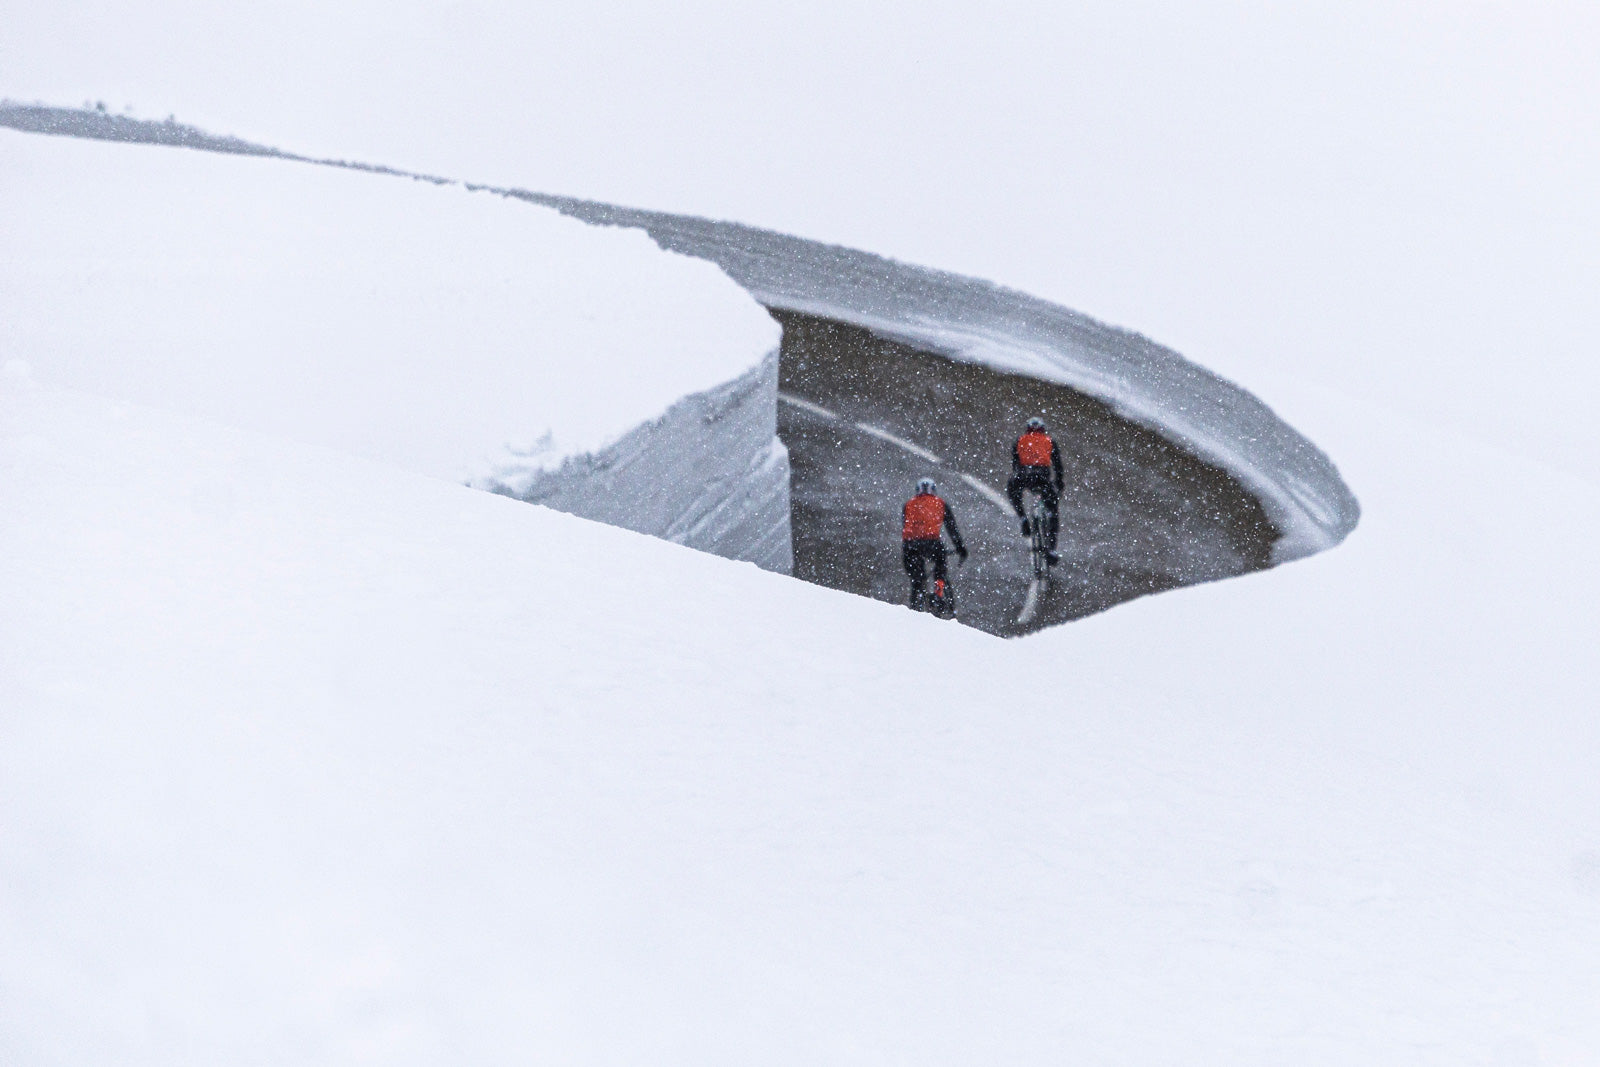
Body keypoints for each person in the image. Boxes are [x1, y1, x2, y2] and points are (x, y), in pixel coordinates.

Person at [901, 477, 967, 610]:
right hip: (932, 544)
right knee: (940, 565)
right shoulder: (941, 504)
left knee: (916, 578)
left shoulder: (908, 504)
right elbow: (951, 529)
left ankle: (916, 599)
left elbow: (906, 526)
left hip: (910, 545)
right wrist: (960, 548)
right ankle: (938, 592)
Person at [1006, 415, 1063, 563]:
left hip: (1023, 475)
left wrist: (1019, 476)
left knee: (1013, 491)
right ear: (1043, 430)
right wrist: (1059, 484)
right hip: (1042, 478)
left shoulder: (1020, 440)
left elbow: (1015, 464)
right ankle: (1051, 548)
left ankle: (1023, 518)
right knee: (1053, 511)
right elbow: (1058, 466)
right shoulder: (1049, 441)